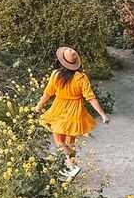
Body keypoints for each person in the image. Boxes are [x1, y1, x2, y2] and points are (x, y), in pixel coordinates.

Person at [34, 46, 108, 179]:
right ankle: (71, 167)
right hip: (75, 112)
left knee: (59, 140)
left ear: (62, 61)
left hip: (59, 110)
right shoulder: (82, 77)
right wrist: (102, 114)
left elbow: (47, 93)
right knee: (70, 141)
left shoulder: (56, 75)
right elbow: (90, 98)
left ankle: (72, 166)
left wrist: (38, 106)